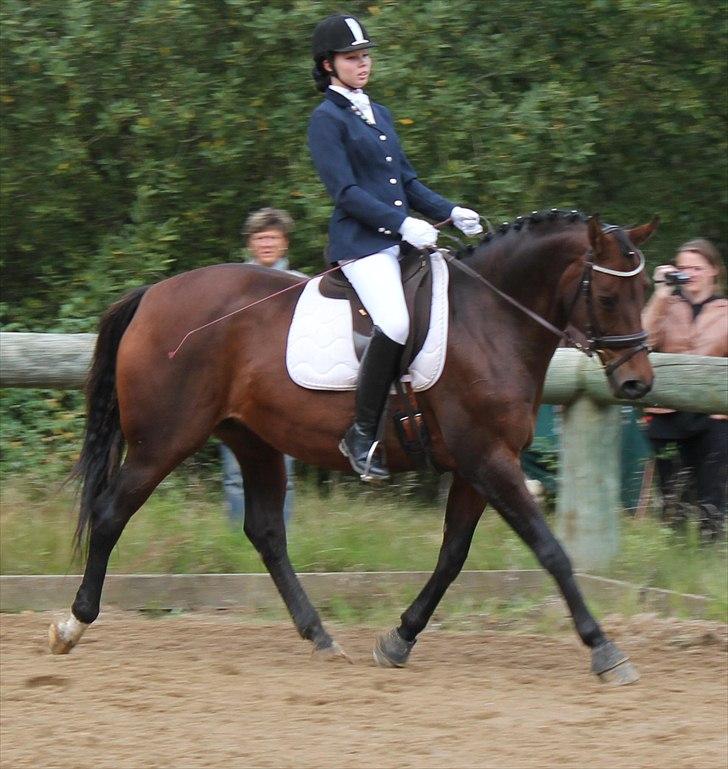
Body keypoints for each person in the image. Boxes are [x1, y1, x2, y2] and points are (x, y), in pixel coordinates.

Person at [307, 13, 483, 482]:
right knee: (396, 322)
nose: (362, 63)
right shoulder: (325, 120)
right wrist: (403, 224)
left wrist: (451, 211)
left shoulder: (378, 112)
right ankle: (361, 434)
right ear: (328, 64)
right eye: (351, 57)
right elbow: (346, 193)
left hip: (400, 243)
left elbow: (405, 182)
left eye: (365, 55)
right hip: (362, 245)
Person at [642, 238, 728, 540]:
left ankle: (709, 554)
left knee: (711, 497)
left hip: (712, 417)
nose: (689, 274)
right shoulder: (666, 305)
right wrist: (660, 295)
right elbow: (642, 343)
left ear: (714, 270)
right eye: (683, 268)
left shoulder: (725, 310)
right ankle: (676, 551)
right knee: (672, 499)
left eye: (697, 268)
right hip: (666, 414)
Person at [220, 207, 299, 528]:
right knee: (234, 474)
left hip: (285, 394)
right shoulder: (234, 286)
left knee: (284, 474)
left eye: (273, 238)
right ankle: (237, 541)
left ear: (284, 243)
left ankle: (281, 538)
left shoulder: (300, 285)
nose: (266, 244)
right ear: (250, 243)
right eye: (260, 238)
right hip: (237, 393)